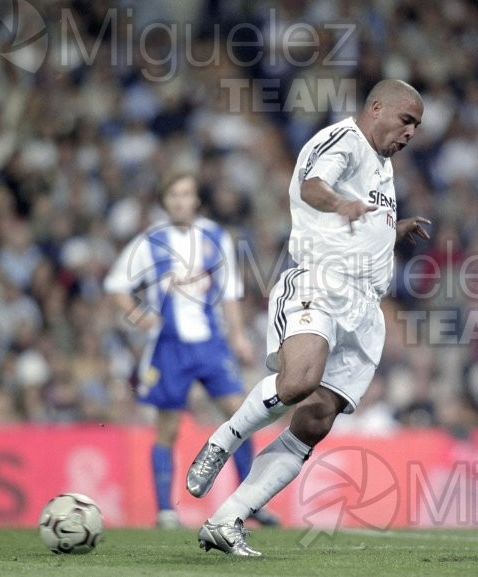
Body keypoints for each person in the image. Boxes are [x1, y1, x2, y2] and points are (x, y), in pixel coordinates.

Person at [183, 79, 430, 556]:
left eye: (416, 126)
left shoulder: (382, 164)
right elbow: (312, 185)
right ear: (376, 107)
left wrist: (393, 230)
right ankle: (221, 441)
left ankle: (227, 519)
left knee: (316, 419)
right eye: (406, 120)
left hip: (365, 307)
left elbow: (363, 225)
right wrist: (339, 202)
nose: (411, 133)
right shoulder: (344, 140)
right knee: (298, 381)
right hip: (321, 282)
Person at [104, 172, 278, 529]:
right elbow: (116, 285)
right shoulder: (150, 241)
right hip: (169, 347)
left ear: (197, 200)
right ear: (164, 202)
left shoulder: (215, 237)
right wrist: (141, 316)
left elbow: (229, 292)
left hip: (211, 345)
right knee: (167, 427)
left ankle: (251, 502)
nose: (180, 201)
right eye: (173, 195)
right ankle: (166, 510)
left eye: (186, 194)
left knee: (241, 417)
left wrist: (239, 337)